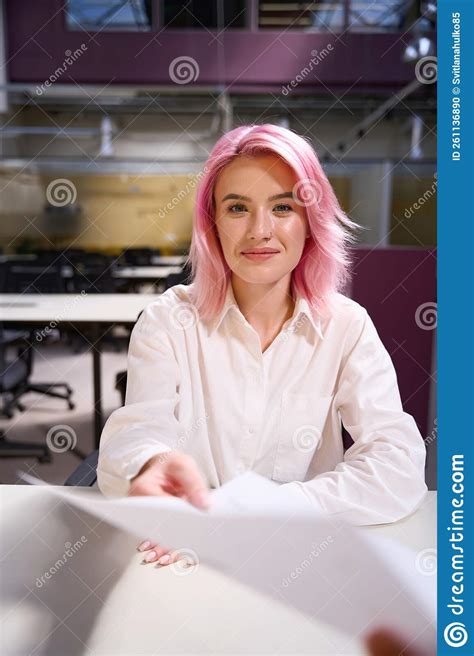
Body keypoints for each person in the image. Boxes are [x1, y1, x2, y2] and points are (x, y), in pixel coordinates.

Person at [97, 124, 428, 566]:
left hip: (304, 559)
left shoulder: (346, 326)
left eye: (283, 207)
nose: (260, 230)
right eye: (237, 208)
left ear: (311, 221)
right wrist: (150, 463)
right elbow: (137, 431)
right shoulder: (168, 320)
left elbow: (398, 467)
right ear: (212, 224)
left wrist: (270, 510)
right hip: (186, 557)